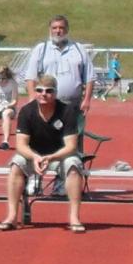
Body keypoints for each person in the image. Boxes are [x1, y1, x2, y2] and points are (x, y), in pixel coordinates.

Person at [0, 74, 87, 234]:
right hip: (34, 156)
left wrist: (51, 157)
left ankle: (74, 217)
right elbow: (21, 145)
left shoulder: (67, 111)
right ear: (35, 92)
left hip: (60, 156)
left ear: (55, 93)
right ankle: (12, 216)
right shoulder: (27, 111)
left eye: (49, 91)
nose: (44, 94)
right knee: (16, 164)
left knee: (73, 165)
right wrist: (35, 157)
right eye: (39, 90)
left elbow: (71, 146)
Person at [23, 15, 94, 195]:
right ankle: (34, 179)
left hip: (71, 106)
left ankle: (63, 182)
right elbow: (30, 76)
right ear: (50, 29)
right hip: (45, 105)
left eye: (61, 28)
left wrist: (87, 99)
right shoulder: (41, 49)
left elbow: (89, 77)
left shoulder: (79, 50)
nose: (58, 31)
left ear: (67, 30)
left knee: (71, 144)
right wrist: (32, 99)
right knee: (39, 141)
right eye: (54, 28)